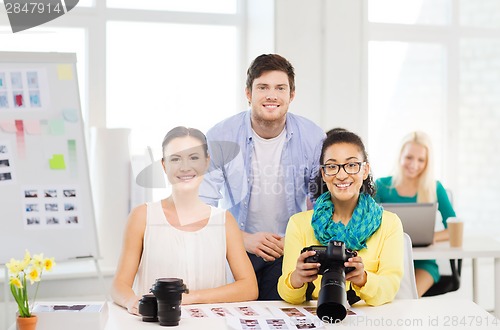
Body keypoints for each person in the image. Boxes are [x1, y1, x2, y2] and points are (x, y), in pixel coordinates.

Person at [200, 54, 325, 300]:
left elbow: (323, 202)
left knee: (280, 316)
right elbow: (203, 204)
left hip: (288, 249)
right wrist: (241, 239)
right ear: (248, 93)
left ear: (292, 95)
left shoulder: (312, 137)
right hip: (235, 248)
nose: (272, 95)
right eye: (263, 87)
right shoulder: (219, 135)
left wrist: (295, 238)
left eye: (280, 88)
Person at [111, 126, 258, 315]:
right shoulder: (142, 216)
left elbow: (249, 287)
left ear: (207, 163)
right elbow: (119, 285)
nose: (185, 167)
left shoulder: (224, 221)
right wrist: (131, 301)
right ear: (164, 165)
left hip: (209, 325)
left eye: (194, 157)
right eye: (175, 158)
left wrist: (189, 298)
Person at [278, 130, 404, 306]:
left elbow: (390, 288)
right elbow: (288, 296)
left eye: (351, 165)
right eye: (331, 166)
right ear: (323, 174)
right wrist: (296, 279)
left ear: (365, 170)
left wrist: (363, 278)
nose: (342, 175)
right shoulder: (299, 224)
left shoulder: (389, 223)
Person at [374, 130, 456, 297]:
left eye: (421, 160)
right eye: (409, 157)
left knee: (407, 299)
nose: (414, 164)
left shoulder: (434, 187)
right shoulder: (381, 185)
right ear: (400, 156)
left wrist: (432, 237)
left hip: (423, 265)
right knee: (384, 300)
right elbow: (368, 225)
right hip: (386, 262)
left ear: (427, 162)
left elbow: (453, 227)